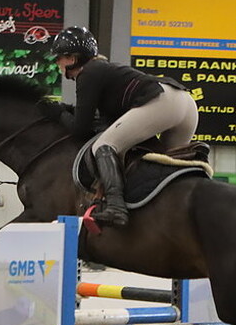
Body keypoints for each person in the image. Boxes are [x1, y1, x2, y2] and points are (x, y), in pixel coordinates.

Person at [50, 26, 199, 227]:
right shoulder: (102, 70)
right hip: (186, 104)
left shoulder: (89, 73)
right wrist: (68, 110)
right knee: (167, 165)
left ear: (72, 58)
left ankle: (116, 207)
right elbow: (98, 120)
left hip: (163, 102)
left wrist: (58, 114)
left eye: (59, 58)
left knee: (103, 146)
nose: (57, 63)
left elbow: (80, 130)